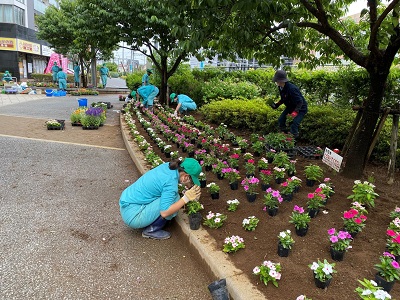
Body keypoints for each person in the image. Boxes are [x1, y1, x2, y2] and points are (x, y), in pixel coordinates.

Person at [119, 158, 202, 240]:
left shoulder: (168, 167)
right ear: (185, 176)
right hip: (134, 216)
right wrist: (186, 198)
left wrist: (187, 189)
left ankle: (152, 221)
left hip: (128, 204)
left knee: (173, 197)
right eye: (191, 180)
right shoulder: (170, 184)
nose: (190, 183)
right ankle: (152, 230)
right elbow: (164, 212)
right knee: (175, 199)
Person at [270, 70, 308, 139]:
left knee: (294, 124)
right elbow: (283, 99)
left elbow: (300, 101)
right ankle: (284, 136)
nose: (276, 82)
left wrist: (296, 111)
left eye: (277, 80)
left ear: (281, 81)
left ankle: (293, 141)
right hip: (290, 106)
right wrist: (277, 105)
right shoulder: (281, 87)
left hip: (301, 108)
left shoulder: (292, 89)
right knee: (281, 120)